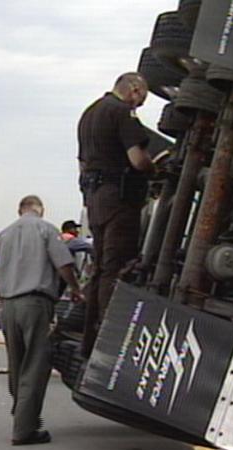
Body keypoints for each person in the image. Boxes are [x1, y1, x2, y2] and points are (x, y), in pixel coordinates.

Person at [0, 195, 84, 446]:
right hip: (34, 303)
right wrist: (75, 289)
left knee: (17, 362)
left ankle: (21, 411)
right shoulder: (46, 229)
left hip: (7, 306)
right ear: (40, 210)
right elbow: (64, 263)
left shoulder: (3, 235)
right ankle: (24, 430)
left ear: (19, 210)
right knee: (36, 364)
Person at [76, 72, 157, 358]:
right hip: (120, 200)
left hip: (95, 200)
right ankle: (110, 339)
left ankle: (89, 342)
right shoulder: (123, 113)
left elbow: (83, 164)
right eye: (141, 99)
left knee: (99, 269)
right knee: (117, 268)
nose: (139, 106)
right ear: (134, 89)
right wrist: (156, 169)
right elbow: (137, 160)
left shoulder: (89, 114)